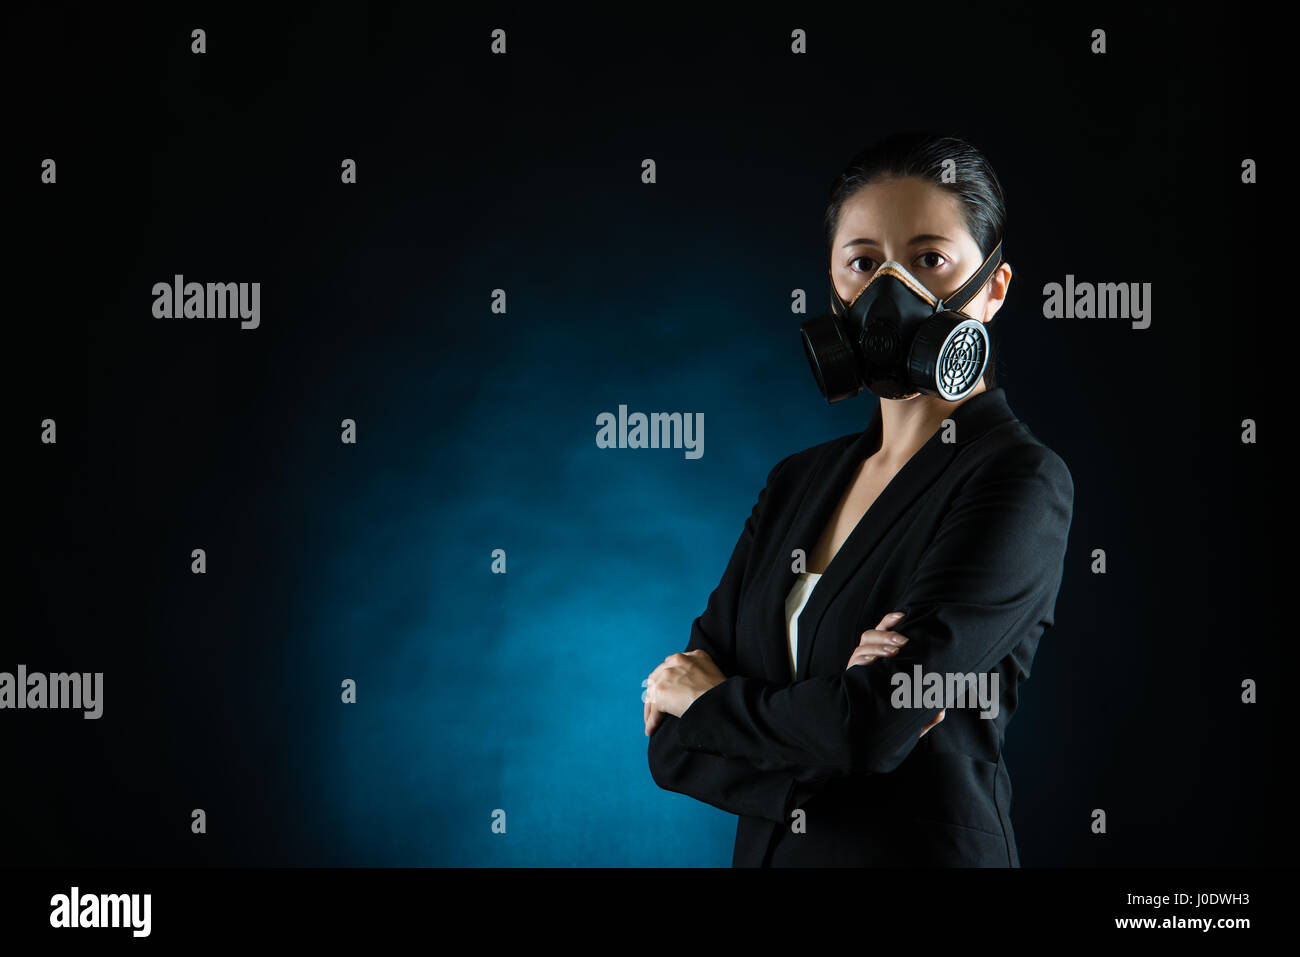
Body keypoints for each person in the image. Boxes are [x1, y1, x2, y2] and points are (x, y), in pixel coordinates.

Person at [644, 131, 1074, 866]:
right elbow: (669, 744)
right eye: (865, 263)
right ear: (833, 284)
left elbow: (869, 725)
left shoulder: (1016, 480)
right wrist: (834, 708)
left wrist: (720, 704)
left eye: (929, 259)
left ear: (994, 288)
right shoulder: (795, 483)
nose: (890, 293)